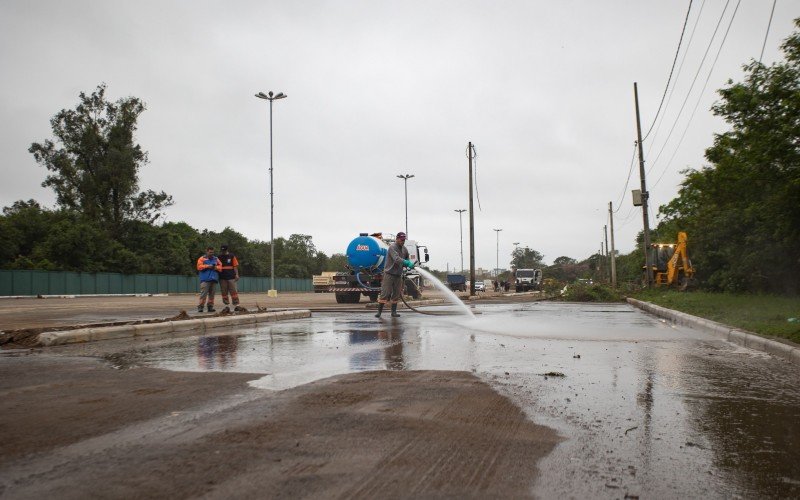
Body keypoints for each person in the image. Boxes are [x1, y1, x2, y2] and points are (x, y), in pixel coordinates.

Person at [375, 232, 415, 318]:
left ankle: (393, 312)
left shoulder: (404, 249)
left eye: (404, 240)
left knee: (396, 293)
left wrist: (407, 264)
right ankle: (379, 312)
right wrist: (406, 262)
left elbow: (406, 258)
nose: (402, 242)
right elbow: (396, 259)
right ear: (397, 239)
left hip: (398, 274)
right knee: (385, 293)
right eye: (401, 240)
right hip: (389, 273)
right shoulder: (392, 247)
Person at [196, 246, 222, 312]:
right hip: (205, 279)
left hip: (214, 279)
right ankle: (200, 307)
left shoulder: (216, 259)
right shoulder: (202, 259)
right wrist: (208, 266)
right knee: (203, 294)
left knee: (212, 295)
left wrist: (216, 267)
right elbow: (199, 267)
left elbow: (221, 267)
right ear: (207, 251)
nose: (212, 253)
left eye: (213, 252)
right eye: (210, 252)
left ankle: (210, 307)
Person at [217, 245, 240, 311]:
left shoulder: (232, 256)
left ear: (227, 250)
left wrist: (237, 274)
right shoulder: (219, 257)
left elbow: (235, 266)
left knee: (233, 291)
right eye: (222, 250)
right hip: (222, 277)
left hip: (231, 277)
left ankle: (237, 305)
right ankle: (226, 306)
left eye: (224, 250)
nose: (223, 252)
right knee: (224, 292)